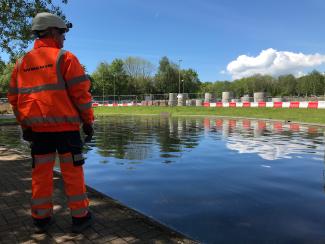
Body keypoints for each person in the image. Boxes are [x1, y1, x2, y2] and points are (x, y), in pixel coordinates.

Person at [7, 12, 94, 233]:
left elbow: (15, 101)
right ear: (53, 31)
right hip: (67, 131)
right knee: (73, 174)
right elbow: (81, 96)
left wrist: (26, 127)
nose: (65, 38)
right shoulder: (66, 58)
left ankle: (41, 219)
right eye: (63, 33)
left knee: (41, 175)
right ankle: (80, 218)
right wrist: (88, 122)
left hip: (39, 133)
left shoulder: (21, 64)